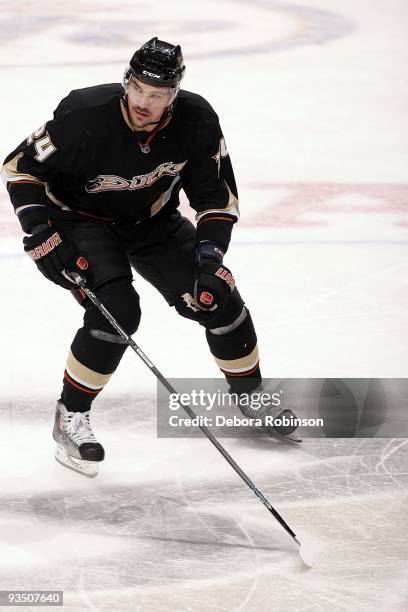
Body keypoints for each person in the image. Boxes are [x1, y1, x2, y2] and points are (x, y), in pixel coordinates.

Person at [2, 37, 299, 477]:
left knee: (220, 300)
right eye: (138, 88)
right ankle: (72, 414)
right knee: (117, 310)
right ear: (127, 81)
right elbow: (19, 167)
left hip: (152, 222)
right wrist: (41, 232)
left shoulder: (196, 121)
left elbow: (215, 200)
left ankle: (250, 397)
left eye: (157, 94)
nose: (144, 101)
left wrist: (211, 258)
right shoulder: (84, 114)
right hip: (80, 220)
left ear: (173, 95)